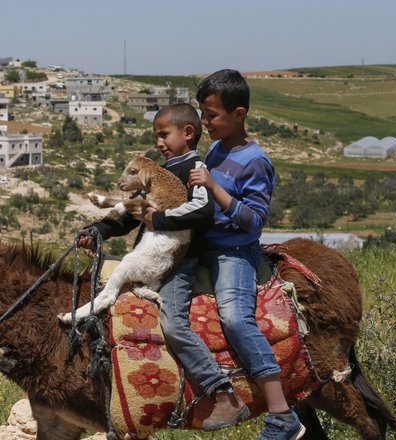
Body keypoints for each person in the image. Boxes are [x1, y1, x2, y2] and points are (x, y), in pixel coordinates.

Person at [78, 103, 247, 431]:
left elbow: (202, 211)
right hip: (152, 253)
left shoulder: (194, 168)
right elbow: (131, 213)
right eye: (156, 135)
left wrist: (160, 218)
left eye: (163, 134)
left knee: (173, 324)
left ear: (187, 133)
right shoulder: (159, 172)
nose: (159, 142)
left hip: (179, 262)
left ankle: (221, 391)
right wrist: (99, 230)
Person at [189, 69, 306, 440]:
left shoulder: (255, 161)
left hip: (234, 252)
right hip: (206, 246)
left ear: (239, 114)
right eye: (202, 114)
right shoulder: (217, 147)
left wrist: (213, 188)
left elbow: (252, 222)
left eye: (211, 115)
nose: (204, 122)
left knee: (236, 319)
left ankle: (281, 413)